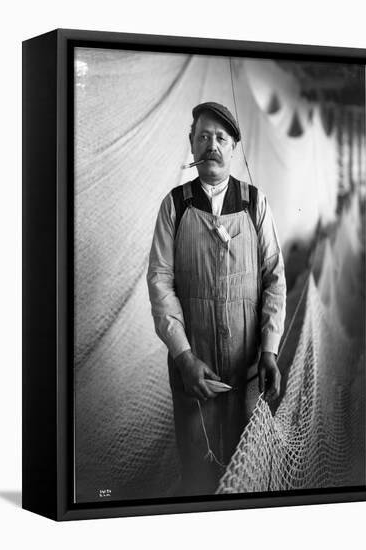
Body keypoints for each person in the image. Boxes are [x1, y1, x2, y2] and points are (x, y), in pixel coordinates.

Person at [147, 102, 286, 495]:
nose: (212, 145)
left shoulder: (254, 202)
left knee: (247, 473)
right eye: (203, 137)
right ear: (191, 144)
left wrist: (270, 352)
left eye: (221, 138)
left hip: (247, 370)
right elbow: (160, 282)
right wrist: (184, 358)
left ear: (234, 148)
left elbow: (274, 279)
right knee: (198, 474)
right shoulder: (175, 206)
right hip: (195, 372)